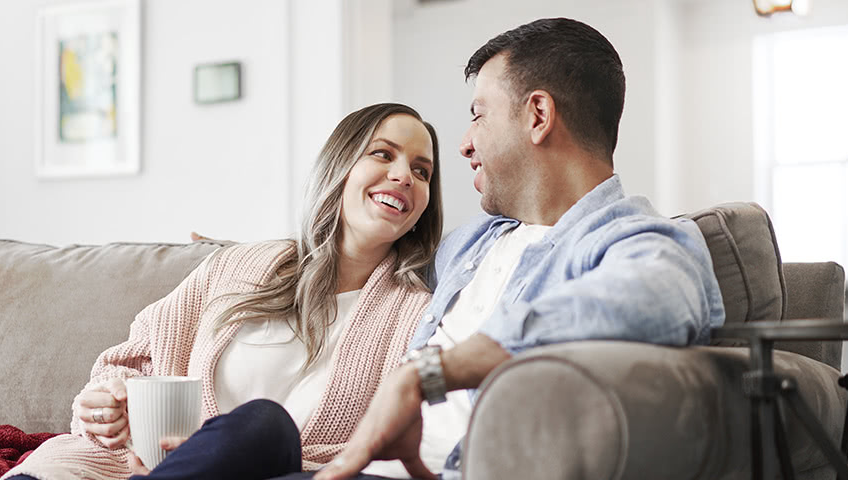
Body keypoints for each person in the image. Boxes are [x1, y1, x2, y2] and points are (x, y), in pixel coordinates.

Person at [308, 17, 727, 480]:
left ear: (538, 116)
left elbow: (658, 299)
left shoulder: (631, 238)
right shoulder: (466, 246)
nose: (465, 145)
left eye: (478, 115)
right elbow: (366, 261)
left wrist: (427, 373)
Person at [2, 103, 444, 480]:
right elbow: (132, 362)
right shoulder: (239, 266)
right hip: (139, 462)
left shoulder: (418, 314)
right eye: (383, 154)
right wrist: (111, 405)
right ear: (339, 166)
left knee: (266, 425)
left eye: (421, 171)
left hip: (293, 471)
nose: (404, 176)